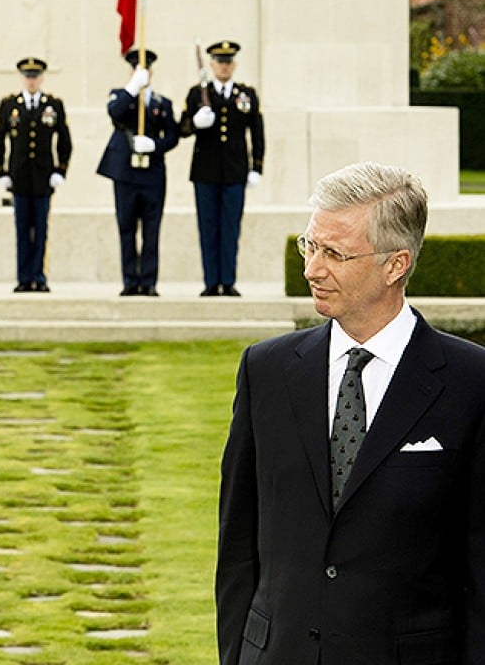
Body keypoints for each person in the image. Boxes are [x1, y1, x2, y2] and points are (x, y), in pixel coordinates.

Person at [216, 161, 485, 664]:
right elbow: (237, 549)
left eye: (334, 253)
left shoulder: (472, 383)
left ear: (395, 264)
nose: (312, 269)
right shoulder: (265, 370)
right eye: (309, 245)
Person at [180, 40, 264, 297]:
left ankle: (227, 281)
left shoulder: (246, 94)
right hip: (205, 173)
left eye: (228, 62)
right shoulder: (197, 94)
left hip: (235, 173)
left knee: (230, 228)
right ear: (212, 64)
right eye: (219, 61)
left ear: (234, 65)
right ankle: (210, 281)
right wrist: (195, 122)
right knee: (208, 227)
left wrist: (256, 167)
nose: (224, 66)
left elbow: (257, 132)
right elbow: (181, 128)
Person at [97, 49, 179, 296]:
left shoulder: (161, 103)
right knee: (127, 228)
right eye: (136, 69)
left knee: (151, 230)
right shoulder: (121, 96)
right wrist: (133, 87)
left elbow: (173, 135)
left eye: (145, 69)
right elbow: (115, 112)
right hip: (125, 174)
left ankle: (149, 281)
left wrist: (155, 145)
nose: (142, 72)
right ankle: (130, 281)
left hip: (152, 175)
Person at [0, 57, 72, 293]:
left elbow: (65, 142)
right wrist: (1, 171)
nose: (32, 80)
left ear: (42, 78)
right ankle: (23, 277)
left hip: (43, 179)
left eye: (35, 76)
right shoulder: (9, 105)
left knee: (40, 230)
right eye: (28, 76)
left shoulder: (53, 105)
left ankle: (39, 276)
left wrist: (61, 170)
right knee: (22, 230)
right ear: (22, 78)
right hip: (19, 179)